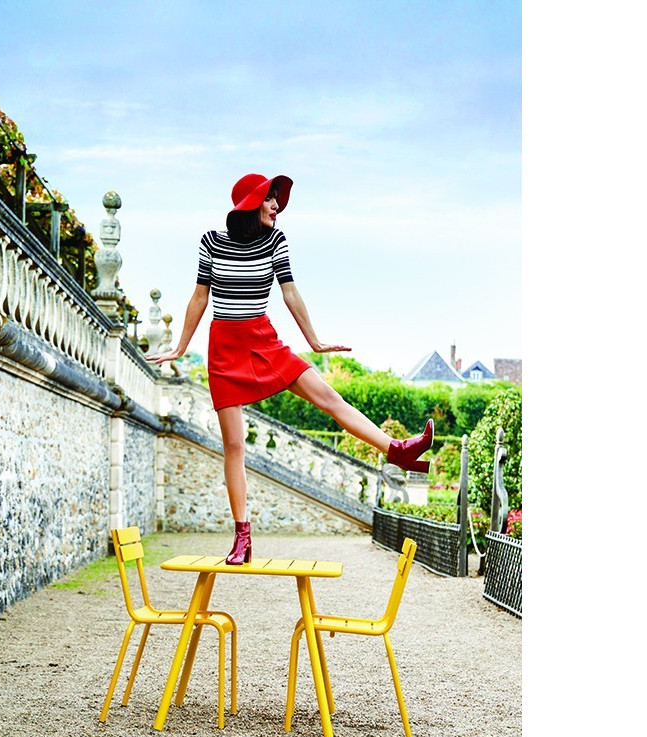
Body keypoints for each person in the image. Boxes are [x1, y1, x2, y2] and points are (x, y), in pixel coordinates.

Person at [146, 173, 434, 565]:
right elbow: (200, 297)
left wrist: (313, 341)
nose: (277, 207)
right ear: (252, 203)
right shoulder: (211, 241)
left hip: (263, 341)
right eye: (271, 200)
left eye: (278, 201)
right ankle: (242, 538)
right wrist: (180, 346)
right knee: (233, 446)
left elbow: (290, 292)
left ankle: (397, 449)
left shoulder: (276, 241)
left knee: (328, 397)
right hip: (225, 350)